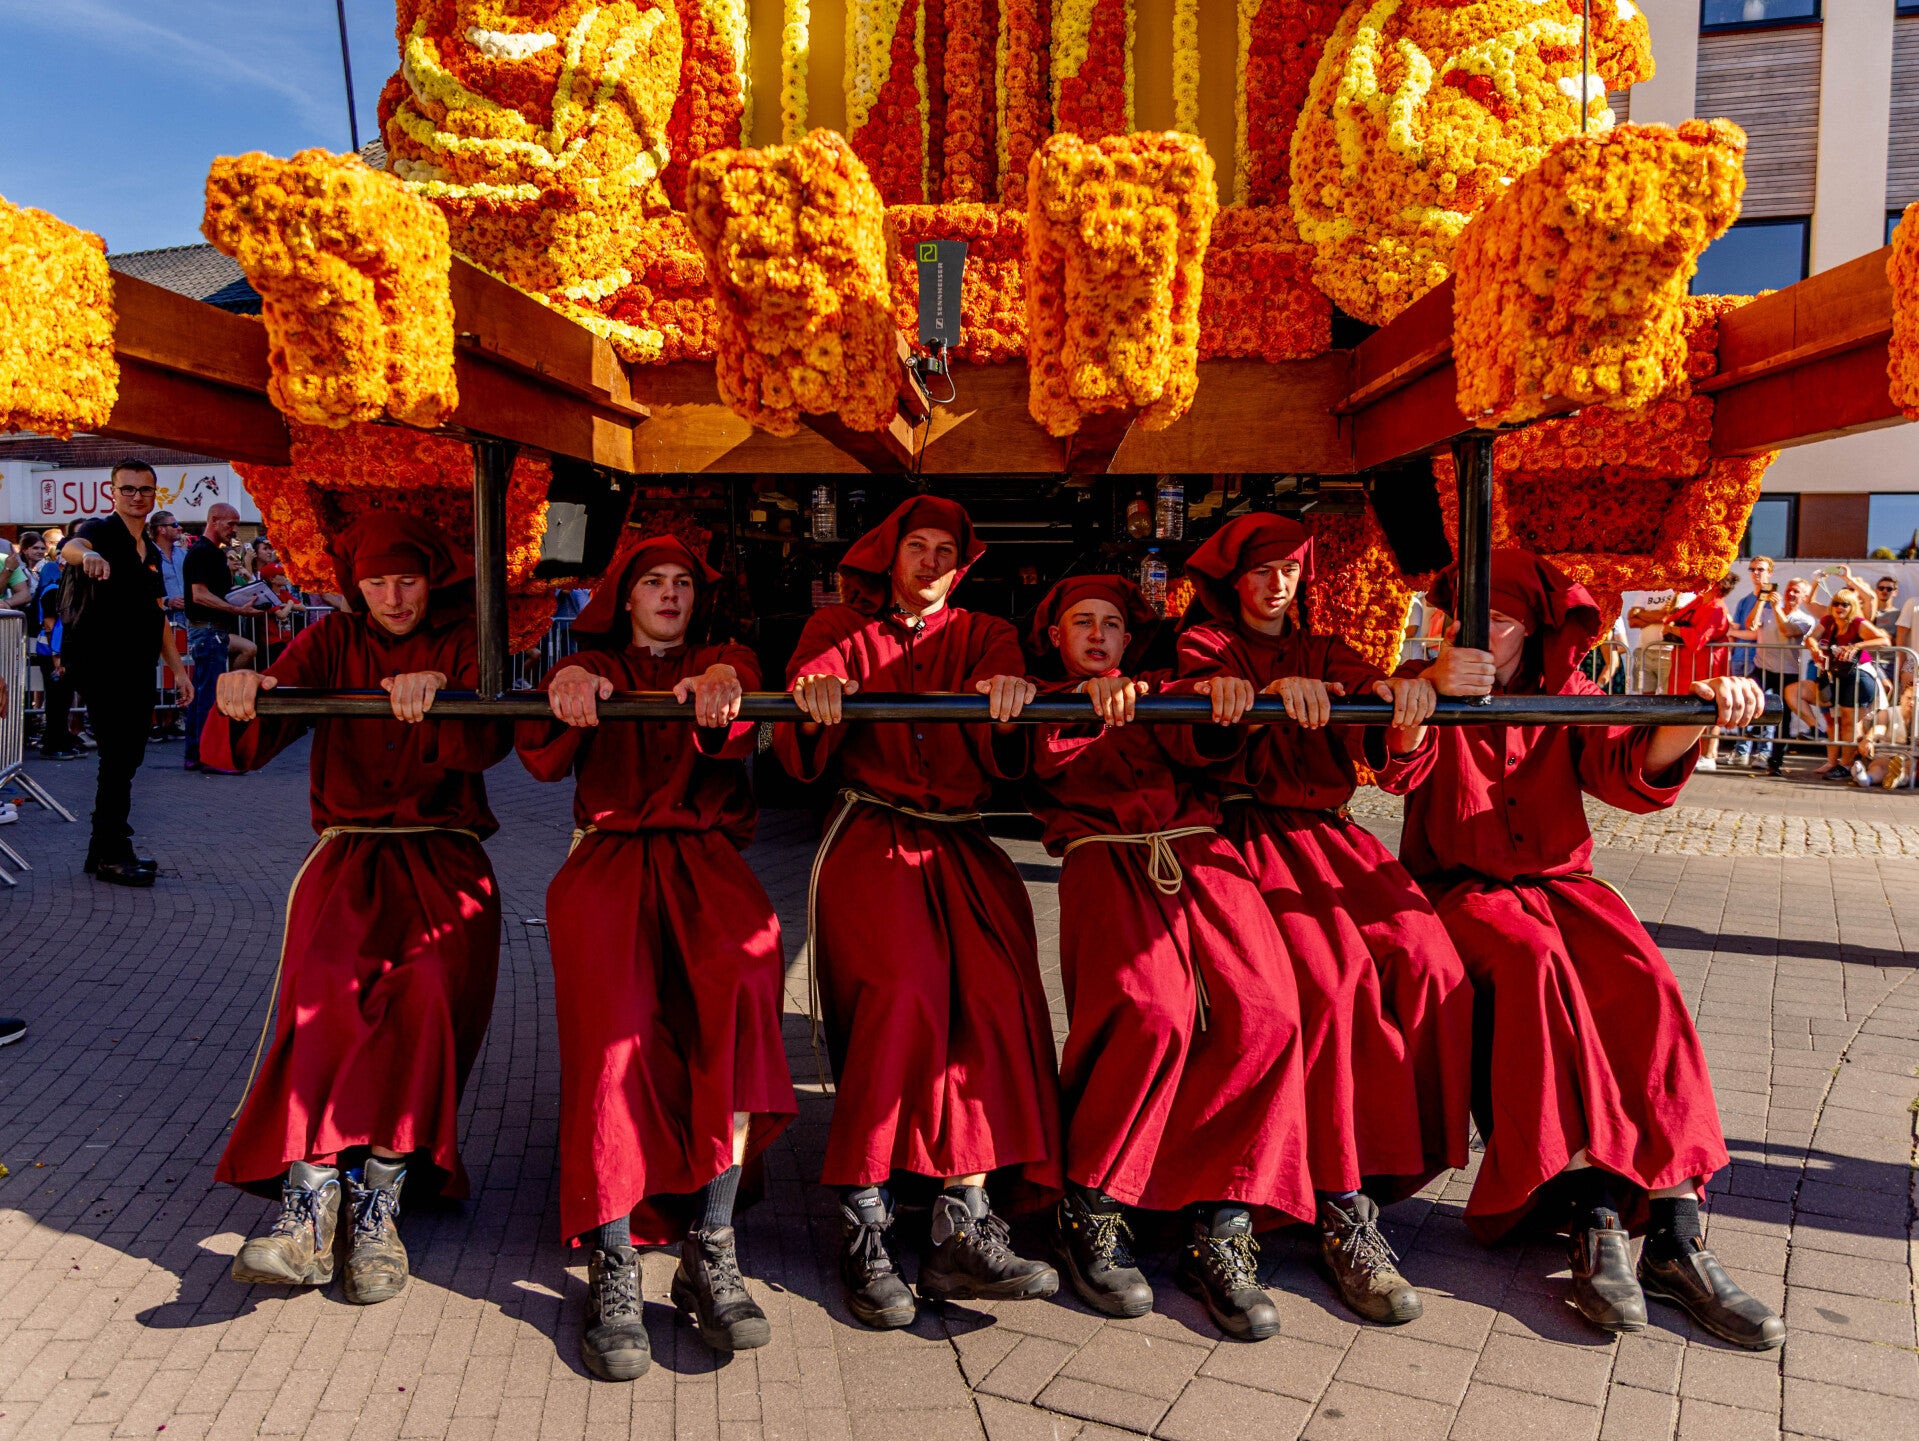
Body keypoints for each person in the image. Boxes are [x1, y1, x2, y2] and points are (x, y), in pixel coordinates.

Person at [1386, 549, 1783, 1351]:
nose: (1480, 634)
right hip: (1460, 889)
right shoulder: (1420, 680)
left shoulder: (1566, 691)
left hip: (1561, 885)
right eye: (1467, 618)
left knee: (1643, 980)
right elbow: (1397, 767)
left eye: (1500, 621)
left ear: (1533, 630)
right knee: (1532, 964)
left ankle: (1674, 1230)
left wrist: (1699, 710)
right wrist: (1425, 688)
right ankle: (1590, 1210)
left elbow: (1624, 766)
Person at [204, 513, 510, 1305]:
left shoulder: (467, 639)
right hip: (348, 855)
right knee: (322, 995)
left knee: (424, 994)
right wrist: (242, 695)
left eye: (407, 579)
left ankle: (380, 1199)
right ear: (354, 586)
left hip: (444, 856)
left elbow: (495, 741)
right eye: (376, 582)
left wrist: (447, 697)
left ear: (431, 580)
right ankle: (308, 1202)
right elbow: (258, 725)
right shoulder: (331, 639)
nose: (393, 597)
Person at [1176, 513, 1472, 1324]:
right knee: (1331, 985)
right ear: (1232, 579)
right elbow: (1191, 720)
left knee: (1429, 960)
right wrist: (1257, 701)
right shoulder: (1205, 644)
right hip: (1244, 834)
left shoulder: (1325, 648)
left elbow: (1382, 725)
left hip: (1329, 836)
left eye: (1289, 569)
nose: (1277, 584)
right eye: (1261, 569)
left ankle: (1386, 1162)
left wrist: (1407, 698)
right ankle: (1340, 1203)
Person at [775, 495, 1062, 1330]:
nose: (932, 561)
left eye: (946, 550)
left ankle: (960, 1218)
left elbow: (1010, 729)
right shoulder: (837, 624)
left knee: (994, 998)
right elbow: (803, 709)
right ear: (889, 555)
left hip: (962, 838)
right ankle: (864, 1218)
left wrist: (1012, 694)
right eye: (919, 546)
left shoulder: (986, 631)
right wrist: (814, 692)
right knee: (902, 992)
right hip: (871, 831)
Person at [517, 533, 797, 1381]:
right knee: (612, 1042)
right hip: (609, 860)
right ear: (626, 596)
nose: (669, 594)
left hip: (706, 862)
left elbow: (740, 686)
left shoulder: (724, 657)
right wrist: (566, 683)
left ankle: (711, 1240)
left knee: (744, 992)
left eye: (682, 582)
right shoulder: (593, 663)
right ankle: (613, 1254)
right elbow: (542, 744)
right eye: (652, 581)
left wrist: (726, 685)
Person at [1015, 574, 1311, 1340]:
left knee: (1268, 1013)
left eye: (1111, 623)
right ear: (1054, 634)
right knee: (1148, 1011)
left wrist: (1219, 696)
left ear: (1129, 636)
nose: (1097, 634)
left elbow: (1204, 733)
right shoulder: (1038, 697)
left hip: (1199, 851)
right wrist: (1082, 705)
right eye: (1081, 621)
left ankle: (1221, 1220)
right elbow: (1037, 759)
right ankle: (1091, 1205)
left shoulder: (1161, 689)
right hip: (1101, 853)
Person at [58, 461, 195, 886]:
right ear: (112, 492)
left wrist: (179, 672)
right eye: (129, 489)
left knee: (128, 755)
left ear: (155, 494)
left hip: (138, 664)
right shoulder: (101, 530)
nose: (137, 496)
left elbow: (157, 617)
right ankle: (113, 853)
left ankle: (101, 848)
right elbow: (72, 547)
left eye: (146, 490)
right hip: (101, 662)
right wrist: (89, 556)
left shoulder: (150, 551)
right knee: (118, 755)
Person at [183, 504, 268, 771]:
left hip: (211, 630)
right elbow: (199, 594)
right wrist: (237, 609)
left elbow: (214, 593)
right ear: (214, 520)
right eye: (230, 524)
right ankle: (206, 755)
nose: (234, 530)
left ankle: (197, 753)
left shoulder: (213, 553)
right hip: (209, 631)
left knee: (204, 694)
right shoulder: (203, 552)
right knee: (208, 696)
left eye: (236, 524)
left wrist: (244, 600)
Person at [1795, 591, 1890, 781]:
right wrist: (1814, 647)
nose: (1840, 607)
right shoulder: (1828, 621)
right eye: (1836, 603)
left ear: (1852, 606)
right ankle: (1843, 761)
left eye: (1845, 604)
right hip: (1836, 676)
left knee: (1850, 722)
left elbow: (1885, 640)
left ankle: (1846, 765)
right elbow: (1811, 637)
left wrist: (1856, 646)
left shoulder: (1857, 623)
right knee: (1836, 720)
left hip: (1859, 675)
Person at [1737, 577, 1816, 775]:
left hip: (1788, 672)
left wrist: (1776, 608)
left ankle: (1775, 762)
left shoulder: (1806, 619)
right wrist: (1761, 601)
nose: (1791, 594)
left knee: (1783, 718)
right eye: (1789, 589)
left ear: (1805, 596)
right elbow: (1750, 625)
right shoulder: (1766, 611)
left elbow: (1787, 630)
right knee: (1749, 696)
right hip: (1762, 667)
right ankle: (1754, 729)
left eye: (1796, 591)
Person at [1662, 575, 1738, 770]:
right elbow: (1670, 620)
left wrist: (1675, 630)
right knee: (1685, 706)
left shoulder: (1716, 607)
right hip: (1687, 664)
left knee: (1710, 707)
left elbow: (1697, 640)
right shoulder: (1699, 601)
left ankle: (1709, 754)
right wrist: (1675, 628)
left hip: (1707, 664)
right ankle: (1687, 752)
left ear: (1717, 585)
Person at [149, 510, 191, 740]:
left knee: (179, 667)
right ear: (160, 529)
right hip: (160, 619)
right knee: (157, 670)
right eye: (174, 525)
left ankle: (172, 719)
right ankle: (154, 722)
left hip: (184, 621)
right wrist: (167, 601)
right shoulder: (148, 554)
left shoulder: (184, 555)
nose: (179, 528)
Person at [1625, 584, 1695, 695]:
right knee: (1644, 696)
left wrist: (1641, 614)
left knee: (1668, 695)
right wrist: (1660, 615)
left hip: (1668, 653)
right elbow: (1632, 621)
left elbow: (1670, 617)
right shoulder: (1647, 590)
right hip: (1643, 651)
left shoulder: (1682, 590)